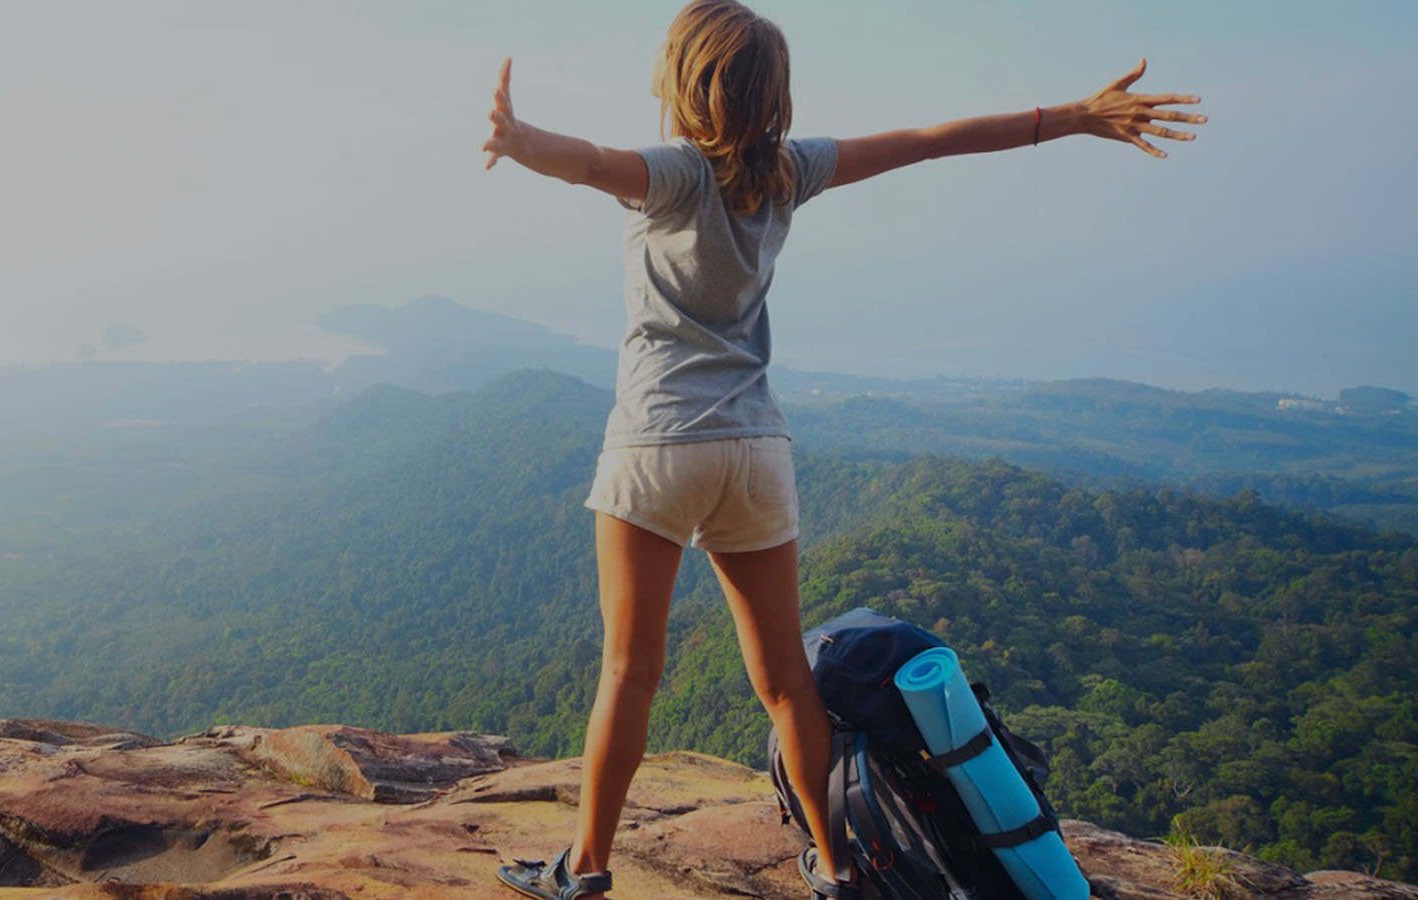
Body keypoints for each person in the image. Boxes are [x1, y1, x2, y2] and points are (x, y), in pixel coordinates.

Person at [479, 2, 1204, 898]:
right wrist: (1076, 117)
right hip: (756, 449)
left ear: (686, 81)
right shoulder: (790, 170)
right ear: (770, 94)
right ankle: (835, 867)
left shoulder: (673, 171)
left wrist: (520, 140)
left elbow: (589, 161)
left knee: (630, 671)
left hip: (659, 442)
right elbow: (930, 141)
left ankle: (585, 868)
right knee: (788, 682)